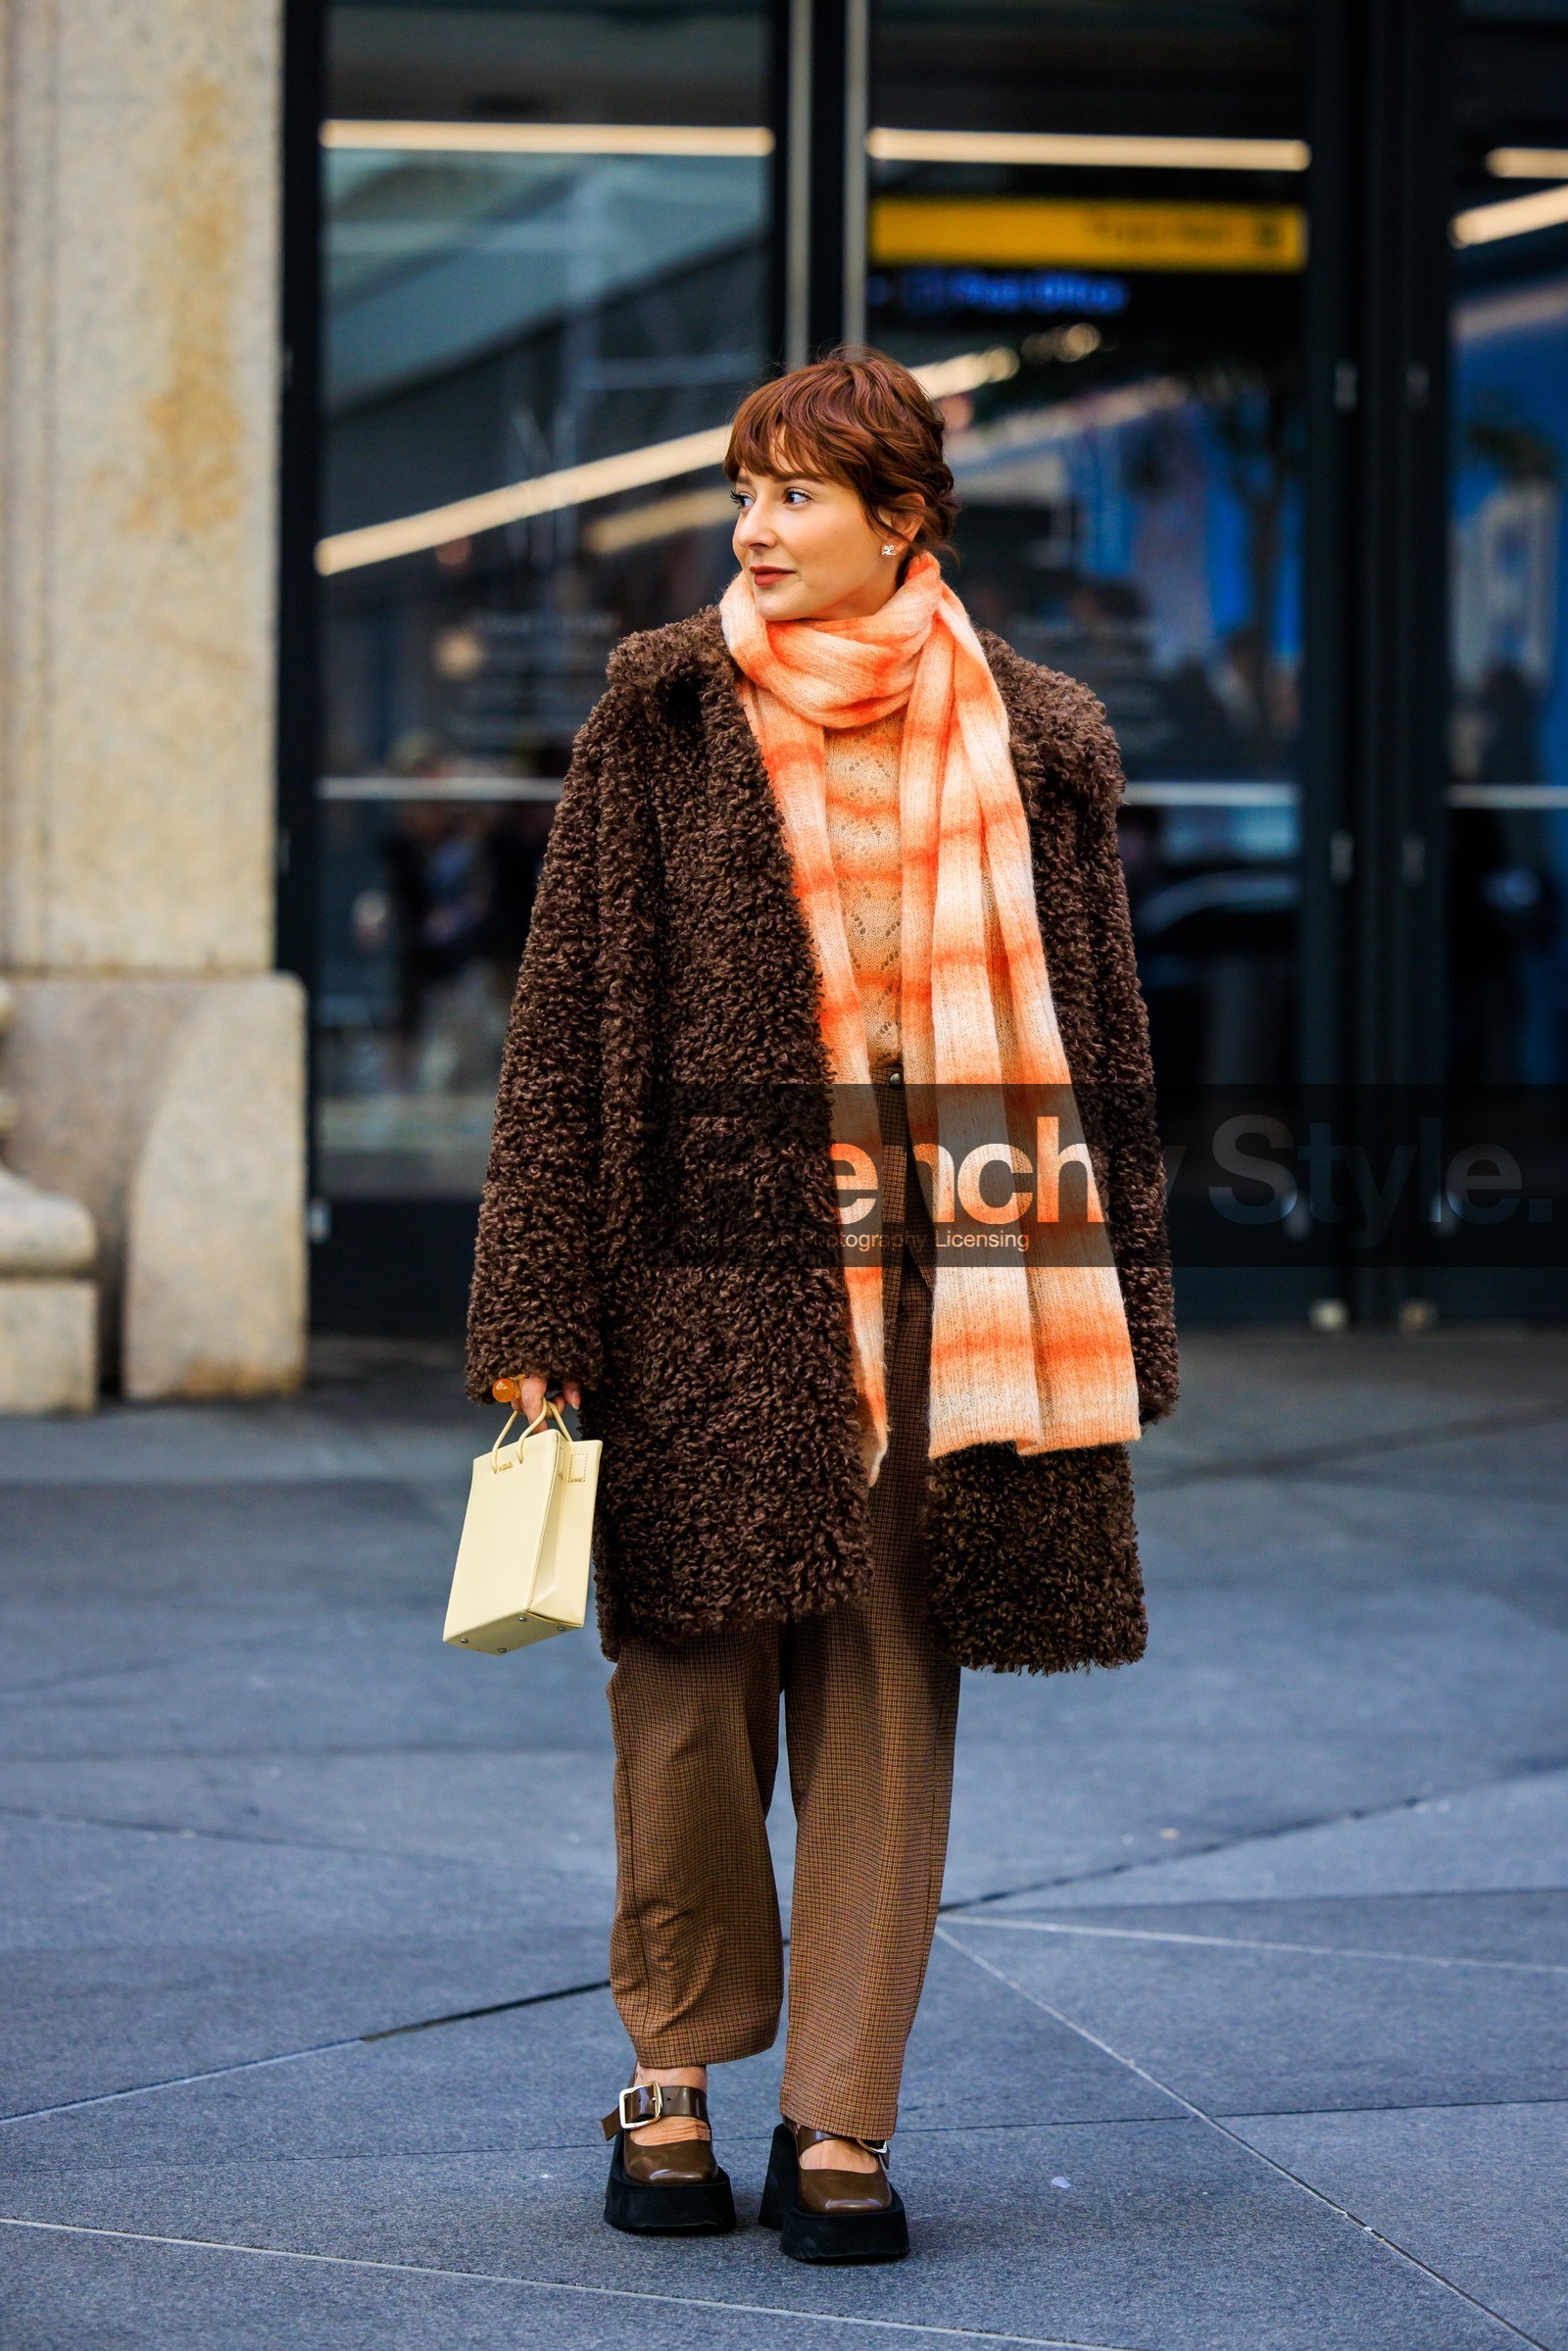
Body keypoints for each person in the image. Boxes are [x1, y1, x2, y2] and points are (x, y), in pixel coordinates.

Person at [466, 350, 1177, 2265]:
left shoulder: (1034, 740)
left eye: (793, 494)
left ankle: (839, 2120)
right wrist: (536, 1292)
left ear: (901, 521)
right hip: (701, 1292)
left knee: (884, 1705)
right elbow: (563, 1028)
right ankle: (674, 2071)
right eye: (741, 490)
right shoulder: (663, 719)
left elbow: (1100, 1050)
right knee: (687, 1704)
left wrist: (1124, 1307)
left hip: (951, 1298)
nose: (751, 528)